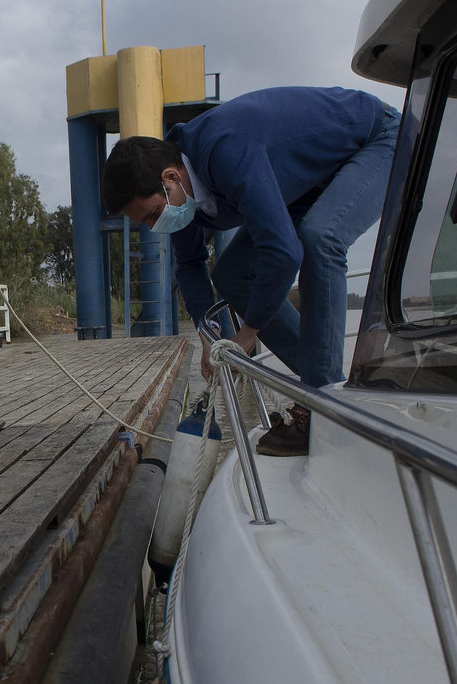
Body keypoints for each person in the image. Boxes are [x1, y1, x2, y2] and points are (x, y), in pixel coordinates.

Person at [103, 87, 398, 456]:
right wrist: (208, 334)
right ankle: (322, 385)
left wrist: (247, 334)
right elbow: (192, 265)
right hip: (308, 182)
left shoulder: (224, 148)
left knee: (320, 239)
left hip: (377, 138)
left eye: (151, 215)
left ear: (171, 178)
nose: (153, 227)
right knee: (230, 275)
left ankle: (322, 411)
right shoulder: (182, 195)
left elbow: (284, 253)